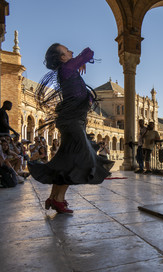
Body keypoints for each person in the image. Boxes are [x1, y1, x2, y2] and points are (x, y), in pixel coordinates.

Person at [28, 43, 114, 214]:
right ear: (62, 58)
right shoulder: (67, 68)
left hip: (74, 121)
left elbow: (84, 95)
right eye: (67, 51)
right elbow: (88, 52)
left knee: (65, 161)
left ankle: (55, 198)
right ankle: (58, 199)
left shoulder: (68, 70)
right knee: (75, 162)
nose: (71, 51)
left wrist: (77, 63)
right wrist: (79, 60)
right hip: (73, 123)